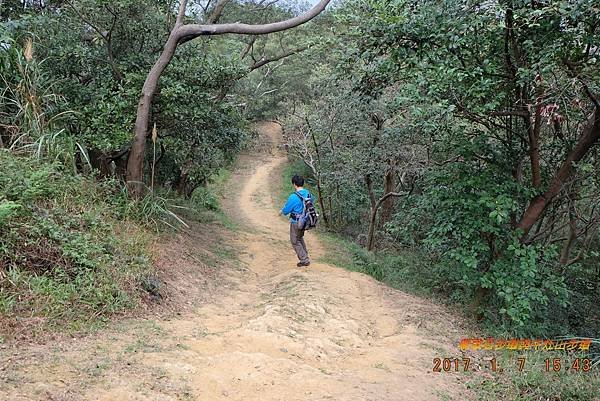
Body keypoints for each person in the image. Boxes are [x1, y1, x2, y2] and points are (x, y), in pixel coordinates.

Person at [279, 175, 312, 267]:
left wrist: (281, 211)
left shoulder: (293, 197)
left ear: (294, 184)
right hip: (306, 221)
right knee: (299, 237)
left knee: (294, 241)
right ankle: (305, 255)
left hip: (296, 222)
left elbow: (286, 210)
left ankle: (304, 260)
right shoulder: (308, 193)